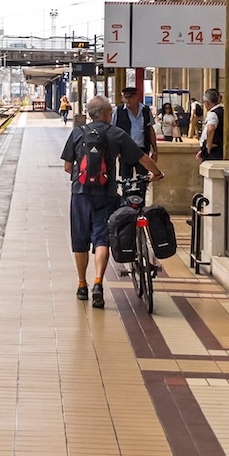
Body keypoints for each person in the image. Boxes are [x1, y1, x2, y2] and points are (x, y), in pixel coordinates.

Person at [62, 96, 160, 308]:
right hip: (106, 195)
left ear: (89, 113)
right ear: (108, 114)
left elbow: (68, 167)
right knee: (101, 240)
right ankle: (98, 282)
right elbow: (142, 157)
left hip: (80, 194)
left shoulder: (78, 133)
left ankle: (81, 285)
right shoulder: (115, 133)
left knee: (80, 240)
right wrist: (157, 173)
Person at [114, 86, 156, 159]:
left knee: (143, 170)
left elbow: (150, 131)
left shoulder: (145, 110)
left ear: (136, 97)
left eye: (131, 97)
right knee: (125, 170)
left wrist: (155, 150)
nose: (128, 100)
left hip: (142, 149)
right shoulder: (118, 111)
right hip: (125, 149)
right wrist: (116, 149)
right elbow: (113, 130)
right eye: (126, 98)